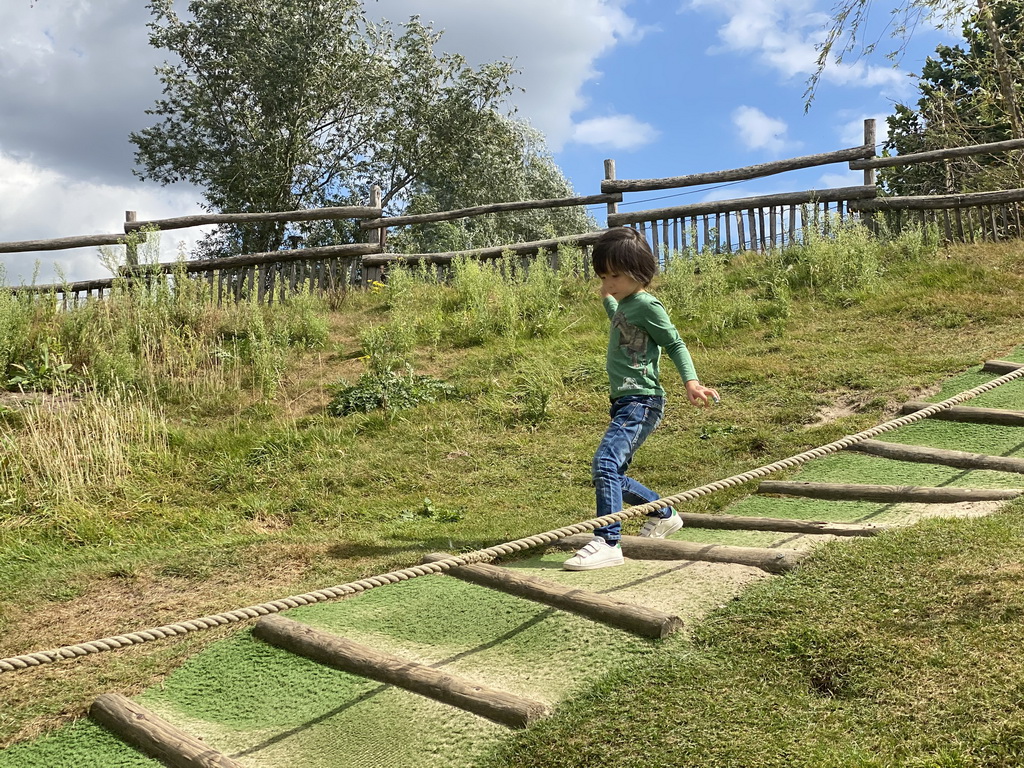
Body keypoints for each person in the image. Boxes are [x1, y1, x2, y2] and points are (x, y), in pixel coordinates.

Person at [563, 227, 719, 571]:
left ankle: (607, 541)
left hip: (642, 400)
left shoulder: (648, 305)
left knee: (604, 463)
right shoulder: (625, 305)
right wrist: (606, 295)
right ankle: (664, 513)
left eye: (615, 275)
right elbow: (619, 321)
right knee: (612, 474)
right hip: (624, 401)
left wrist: (691, 382)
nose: (609, 282)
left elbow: (674, 343)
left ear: (639, 272)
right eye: (603, 275)